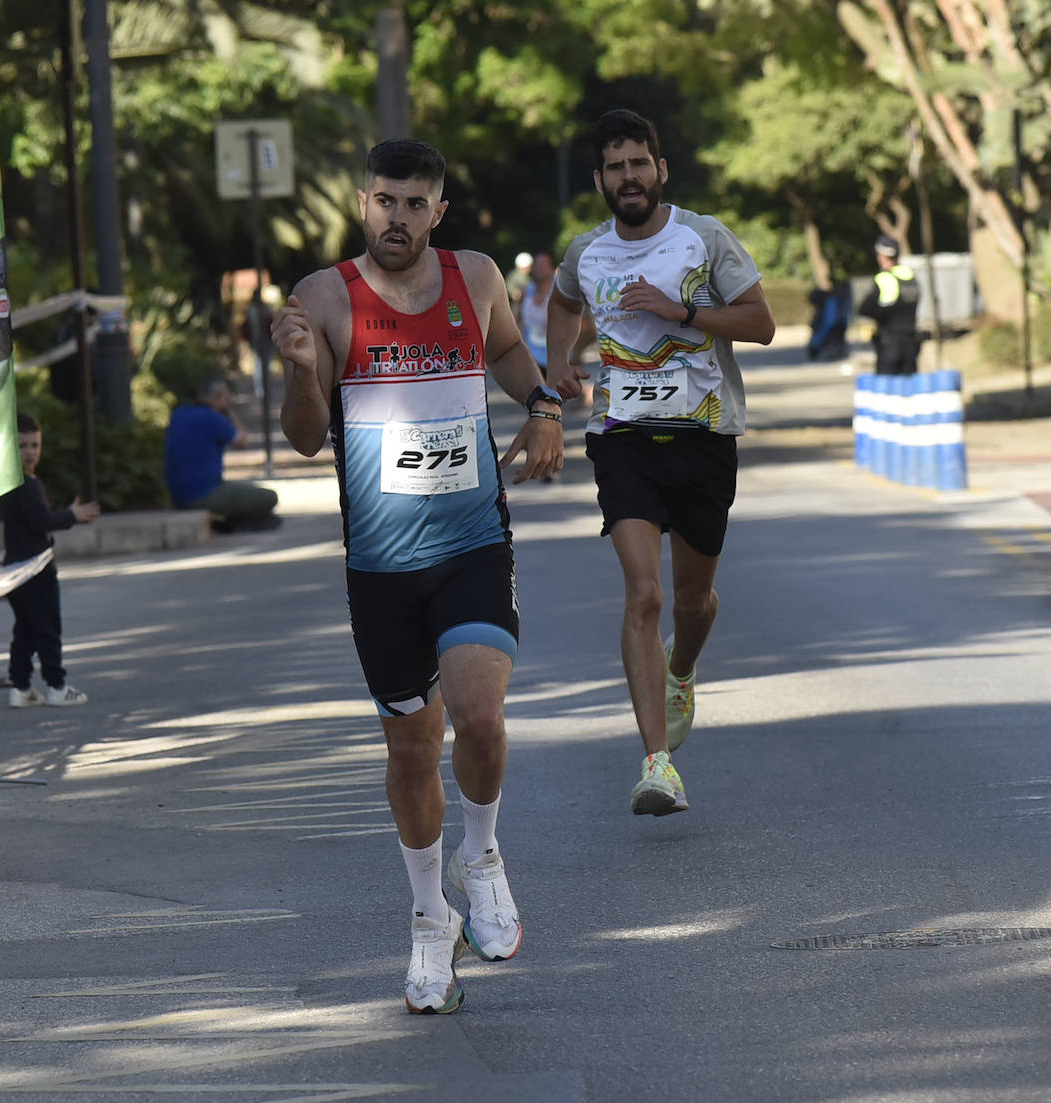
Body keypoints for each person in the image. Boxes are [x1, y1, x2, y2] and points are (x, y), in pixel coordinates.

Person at [270, 138, 563, 1015]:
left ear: (439, 211)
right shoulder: (324, 298)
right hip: (382, 566)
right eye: (383, 201)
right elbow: (304, 436)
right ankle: (431, 920)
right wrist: (297, 370)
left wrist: (542, 403)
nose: (396, 218)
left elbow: (509, 352)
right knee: (410, 752)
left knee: (477, 714)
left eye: (414, 204)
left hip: (472, 542)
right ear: (364, 204)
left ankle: (484, 856)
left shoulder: (475, 279)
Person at [546, 108, 775, 818]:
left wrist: (682, 311)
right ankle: (657, 764)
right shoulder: (587, 252)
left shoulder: (703, 238)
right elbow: (561, 301)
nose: (629, 177)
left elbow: (761, 323)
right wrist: (560, 367)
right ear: (600, 180)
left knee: (691, 601)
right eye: (615, 168)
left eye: (639, 163)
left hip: (704, 437)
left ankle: (682, 670)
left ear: (660, 169)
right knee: (643, 595)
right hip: (624, 439)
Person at [0, 412, 100, 708]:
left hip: (16, 569)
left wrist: (68, 514)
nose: (30, 452)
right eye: (22, 446)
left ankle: (20, 687)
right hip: (36, 569)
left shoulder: (11, 482)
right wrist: (73, 515)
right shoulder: (28, 485)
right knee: (46, 628)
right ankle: (56, 685)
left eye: (34, 445)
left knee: (26, 630)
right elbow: (40, 520)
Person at [164, 377, 280, 532]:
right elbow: (243, 442)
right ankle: (236, 523)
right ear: (220, 396)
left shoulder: (179, 414)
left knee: (244, 490)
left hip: (177, 495)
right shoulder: (212, 418)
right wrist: (229, 410)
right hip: (203, 494)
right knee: (269, 497)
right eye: (227, 395)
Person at [856, 233, 921, 375]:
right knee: (909, 387)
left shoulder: (884, 278)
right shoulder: (910, 275)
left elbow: (864, 308)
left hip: (890, 343)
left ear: (881, 256)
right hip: (911, 341)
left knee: (888, 389)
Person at [516, 251, 554, 375]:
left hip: (555, 356)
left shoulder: (558, 291)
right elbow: (519, 321)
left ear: (551, 267)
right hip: (531, 358)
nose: (540, 269)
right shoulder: (527, 291)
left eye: (544, 265)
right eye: (537, 265)